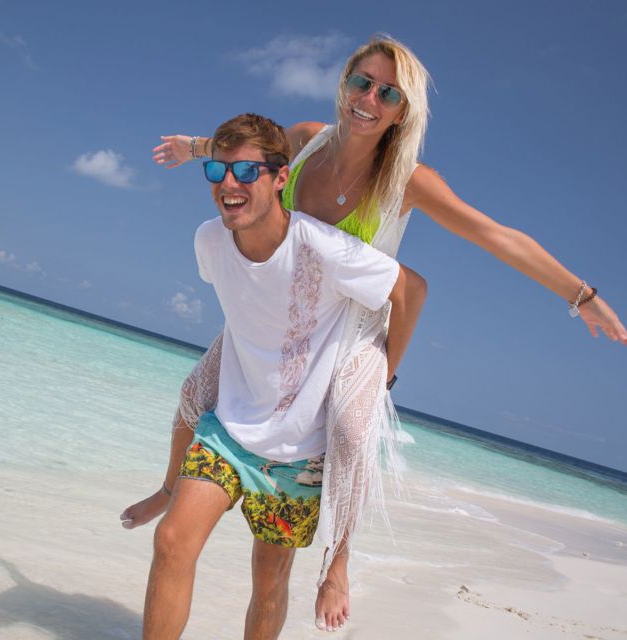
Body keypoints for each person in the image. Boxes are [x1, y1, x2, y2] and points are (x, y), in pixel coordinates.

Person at [125, 35, 627, 631]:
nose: (369, 98)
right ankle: (167, 488)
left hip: (355, 328)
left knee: (353, 425)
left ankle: (338, 560)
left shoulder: (408, 180)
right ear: (343, 84)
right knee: (194, 393)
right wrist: (194, 148)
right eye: (361, 82)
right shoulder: (307, 138)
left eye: (387, 92)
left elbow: (495, 236)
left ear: (402, 110)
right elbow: (248, 155)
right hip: (279, 315)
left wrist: (581, 296)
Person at [143, 112, 411, 640]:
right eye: (218, 171)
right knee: (173, 540)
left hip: (299, 458)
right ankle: (166, 490)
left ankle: (340, 563)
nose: (228, 184)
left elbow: (410, 290)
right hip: (229, 433)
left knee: (268, 582)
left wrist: (384, 373)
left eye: (246, 172)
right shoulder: (209, 242)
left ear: (281, 179)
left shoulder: (323, 249)